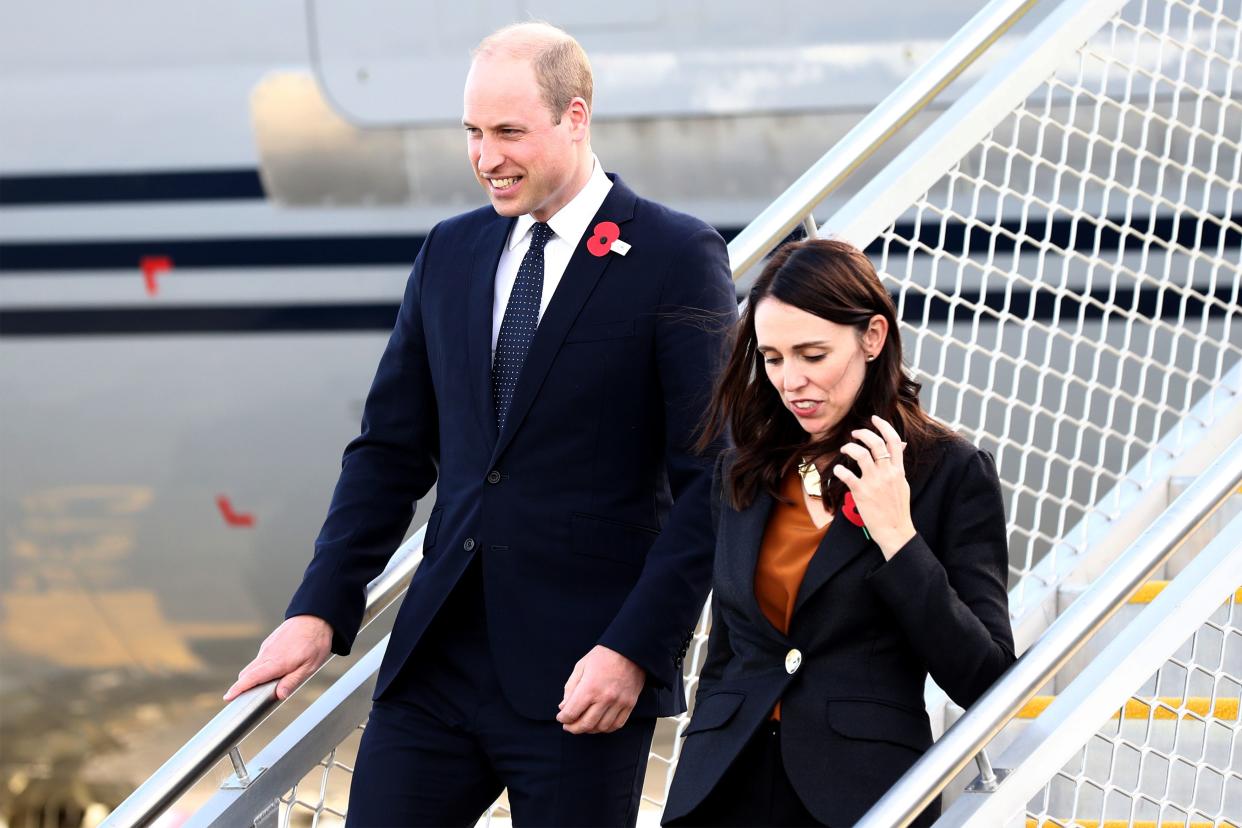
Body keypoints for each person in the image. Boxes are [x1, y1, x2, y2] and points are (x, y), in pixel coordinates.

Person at [223, 21, 737, 827]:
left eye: (508, 132)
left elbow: (715, 481)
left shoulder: (675, 255)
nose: (485, 156)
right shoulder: (451, 252)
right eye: (472, 131)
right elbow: (388, 454)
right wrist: (320, 606)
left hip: (586, 678)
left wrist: (636, 650)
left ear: (575, 117)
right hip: (438, 666)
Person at [662, 239, 1015, 827]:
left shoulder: (949, 473)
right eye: (773, 358)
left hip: (861, 794)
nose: (791, 380)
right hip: (723, 786)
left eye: (812, 354)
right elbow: (729, 651)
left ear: (872, 338)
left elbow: (986, 679)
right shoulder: (744, 470)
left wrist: (898, 537)